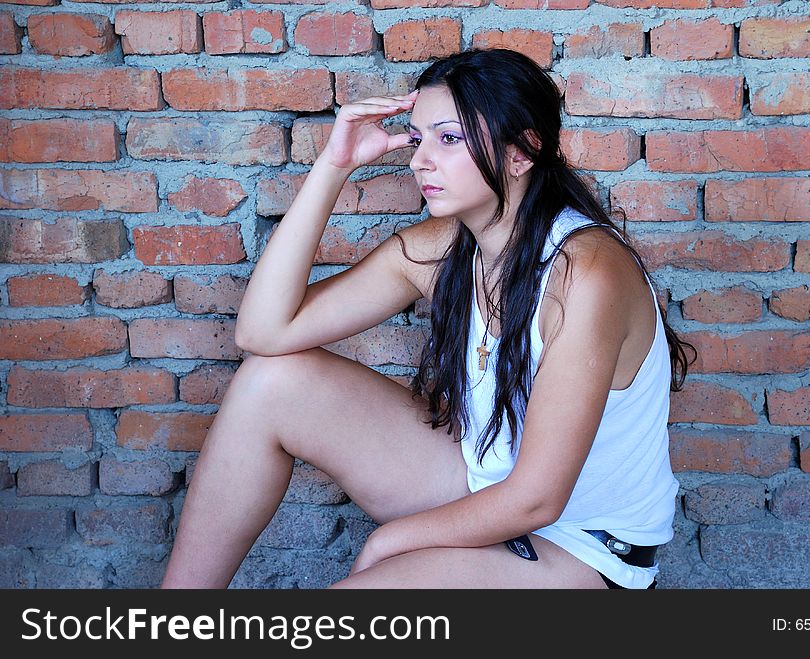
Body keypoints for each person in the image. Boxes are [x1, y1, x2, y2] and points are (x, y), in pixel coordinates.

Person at [160, 48, 694, 590]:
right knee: (268, 383)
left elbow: (539, 497)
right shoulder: (445, 249)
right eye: (417, 139)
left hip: (580, 547)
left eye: (449, 138)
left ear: (522, 152)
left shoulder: (587, 272)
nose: (420, 160)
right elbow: (264, 333)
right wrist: (334, 165)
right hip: (482, 484)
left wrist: (393, 539)